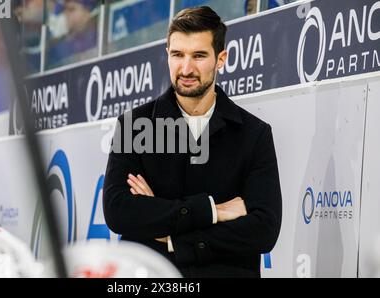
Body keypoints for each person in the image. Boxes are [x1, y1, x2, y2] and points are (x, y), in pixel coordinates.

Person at [103, 6, 282, 278]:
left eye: (199, 56)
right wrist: (214, 211)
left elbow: (263, 229)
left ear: (220, 59)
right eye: (178, 55)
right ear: (167, 55)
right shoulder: (134, 126)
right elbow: (119, 212)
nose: (186, 68)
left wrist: (172, 236)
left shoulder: (253, 134)